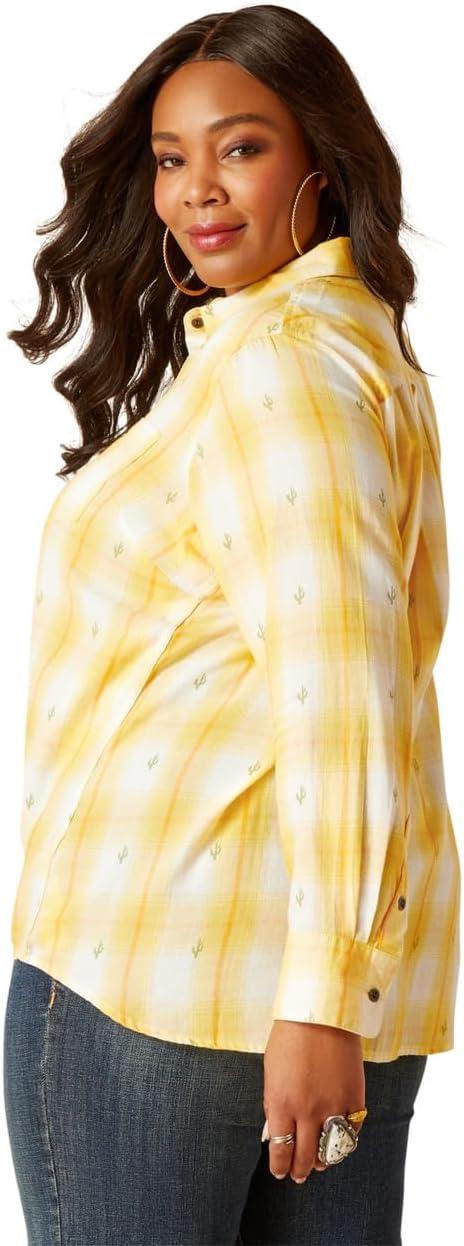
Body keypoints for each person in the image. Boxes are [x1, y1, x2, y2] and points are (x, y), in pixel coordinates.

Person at [3, 5, 459, 1244]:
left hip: (165, 975)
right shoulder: (348, 348)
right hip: (314, 986)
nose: (194, 190)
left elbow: (341, 690)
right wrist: (334, 993)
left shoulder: (283, 365)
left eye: (240, 148)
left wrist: (320, 996)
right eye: (170, 158)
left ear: (324, 161)